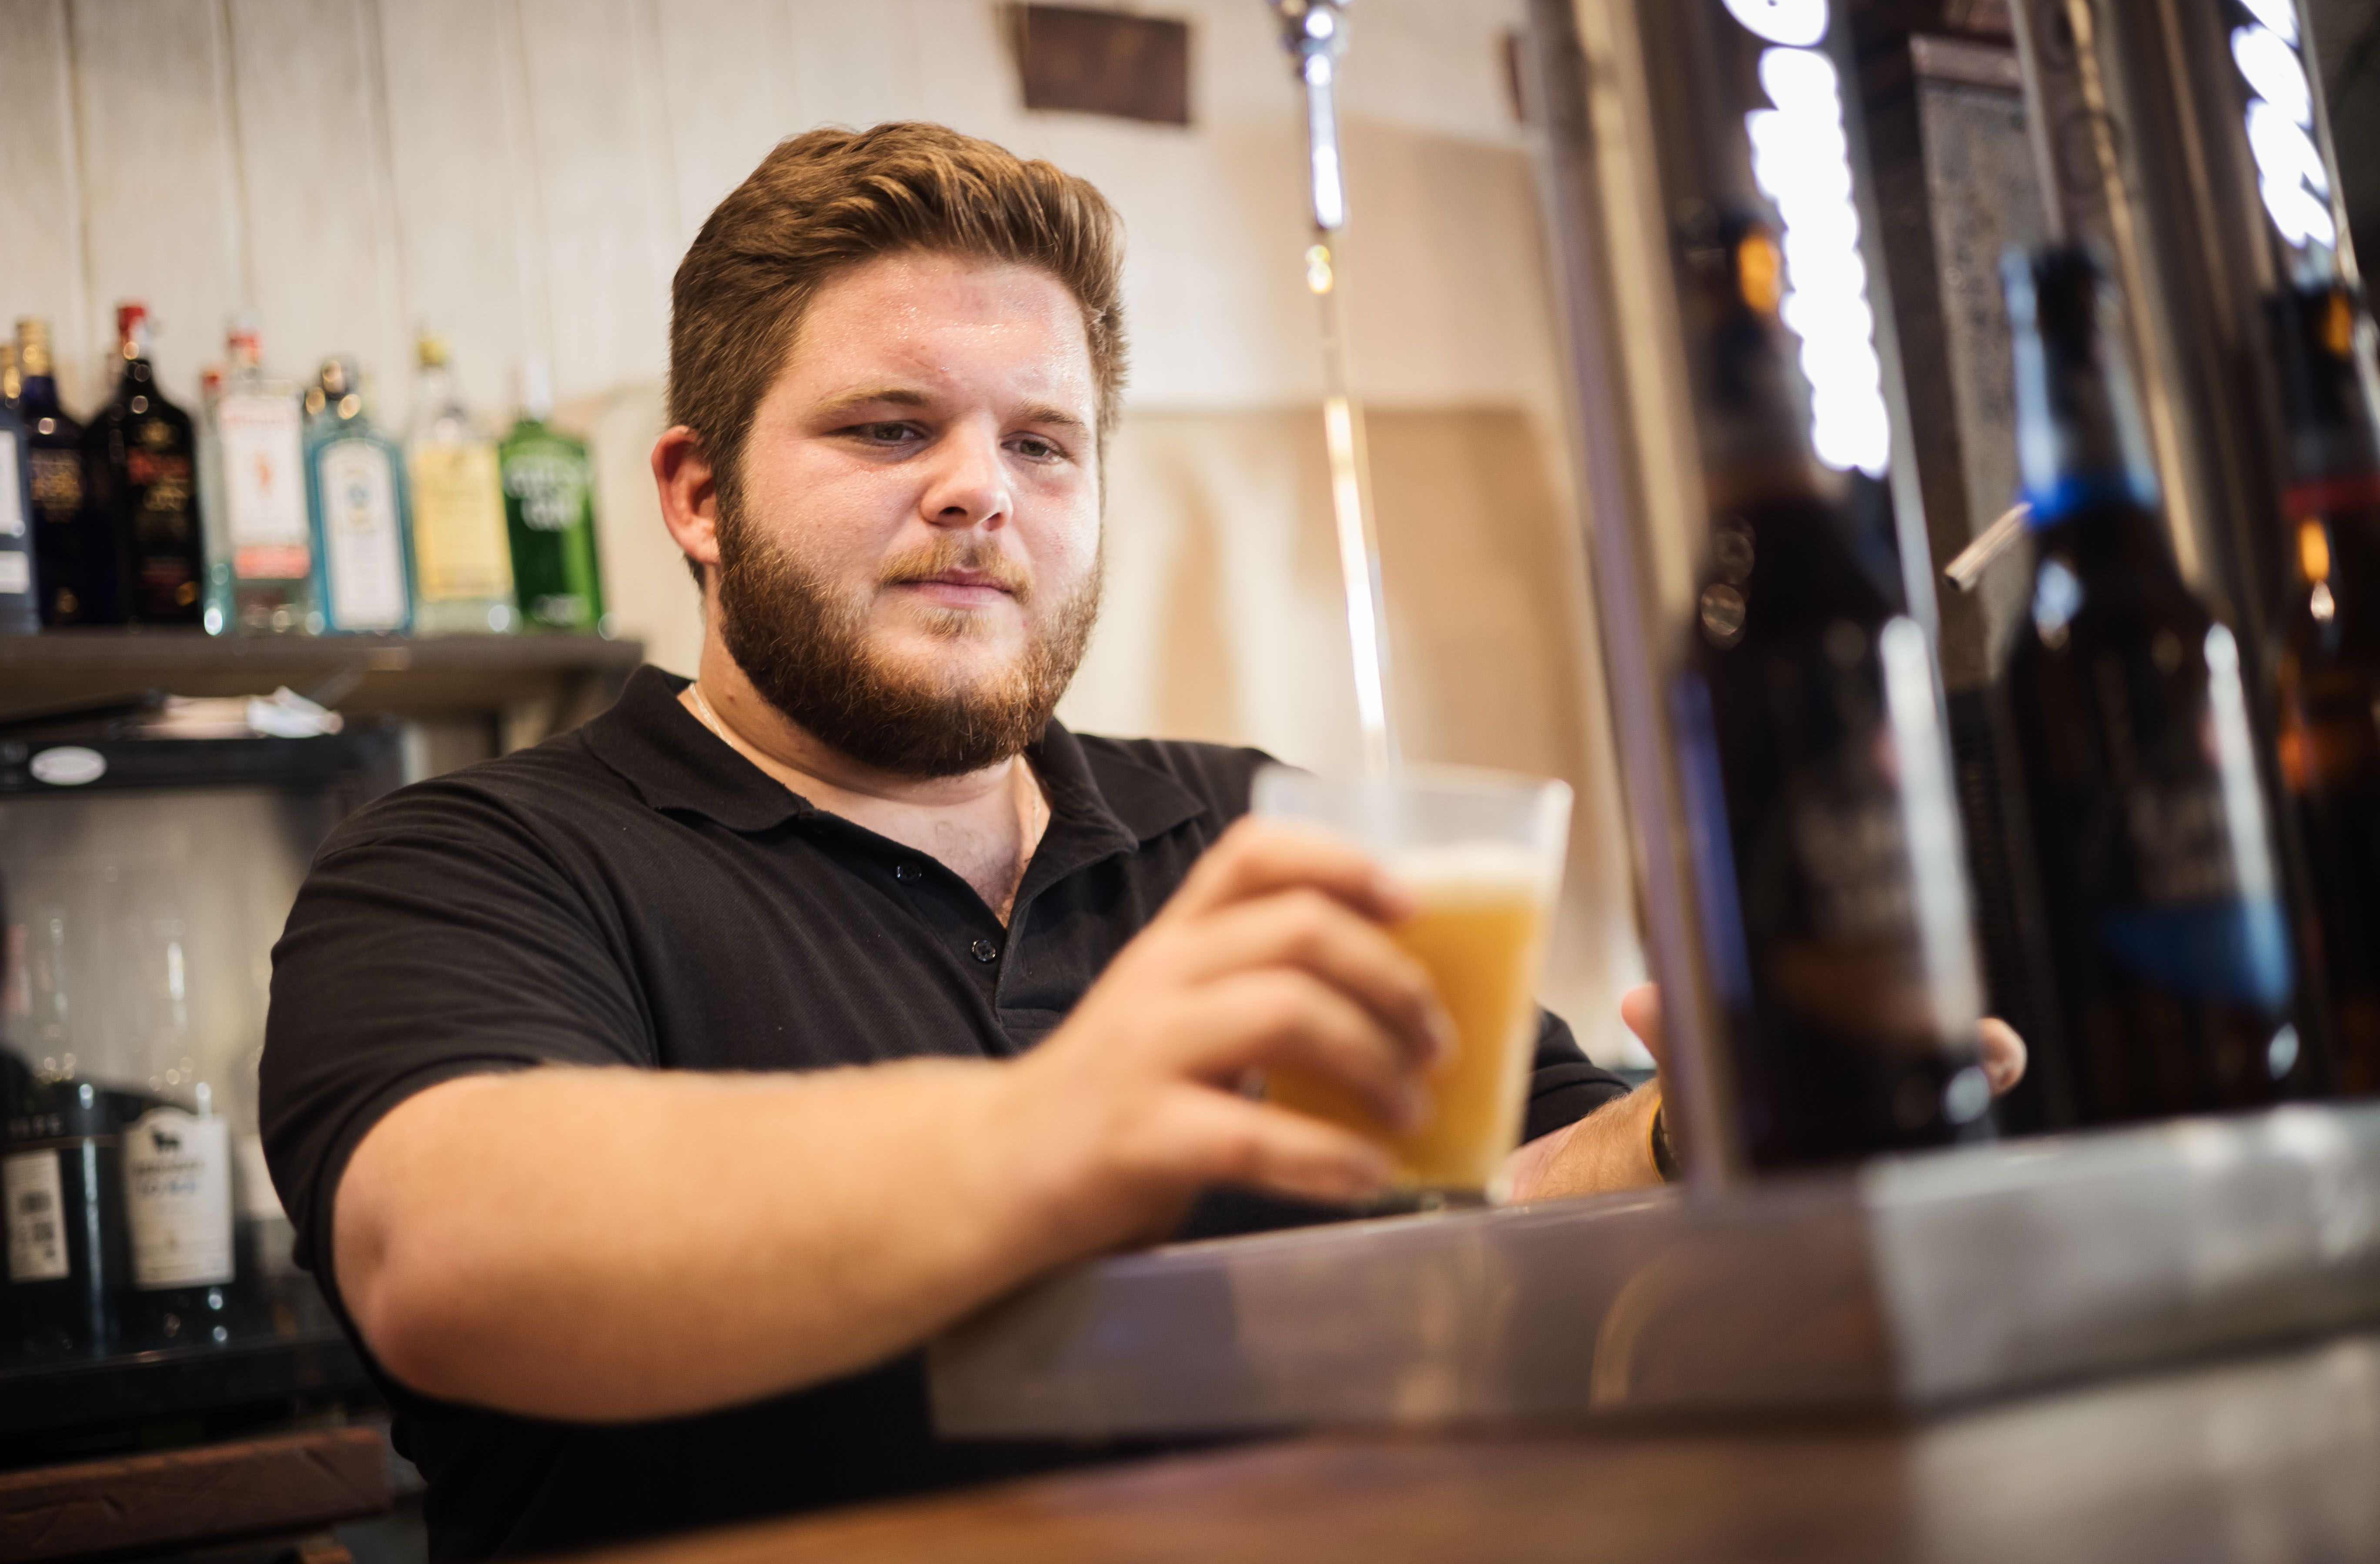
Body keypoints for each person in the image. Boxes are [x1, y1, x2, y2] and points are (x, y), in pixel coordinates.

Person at [260, 122, 2020, 1561]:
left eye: (1045, 443)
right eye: (890, 429)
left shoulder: (1249, 824)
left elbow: (1484, 1185)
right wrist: (1060, 1129)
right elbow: (451, 1256)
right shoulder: (480, 863)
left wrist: (1685, 1124)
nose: (981, 492)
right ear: (698, 496)